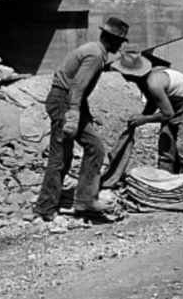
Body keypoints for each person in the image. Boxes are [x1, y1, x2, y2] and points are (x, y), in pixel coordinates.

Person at [32, 16, 129, 222]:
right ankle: (45, 208)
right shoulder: (95, 55)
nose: (120, 46)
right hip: (64, 101)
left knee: (94, 147)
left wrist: (84, 113)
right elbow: (77, 86)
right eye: (120, 41)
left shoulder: (95, 51)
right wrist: (74, 113)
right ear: (111, 39)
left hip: (69, 101)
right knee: (61, 156)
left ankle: (84, 201)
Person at [111, 51, 183, 173]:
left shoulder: (154, 83)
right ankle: (165, 182)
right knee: (166, 149)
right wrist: (143, 115)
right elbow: (153, 101)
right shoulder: (143, 81)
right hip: (172, 105)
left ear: (131, 74)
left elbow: (168, 114)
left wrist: (144, 119)